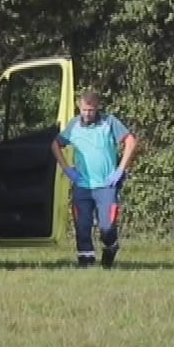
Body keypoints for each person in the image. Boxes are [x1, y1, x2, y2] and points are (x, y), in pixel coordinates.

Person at [52, 90, 138, 268]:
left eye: (91, 110)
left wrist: (120, 170)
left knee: (107, 227)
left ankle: (111, 247)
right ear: (79, 107)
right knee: (82, 226)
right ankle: (86, 263)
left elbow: (130, 141)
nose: (87, 114)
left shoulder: (109, 122)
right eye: (84, 110)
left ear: (97, 108)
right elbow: (55, 145)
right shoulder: (73, 125)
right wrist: (67, 169)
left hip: (106, 185)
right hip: (82, 186)